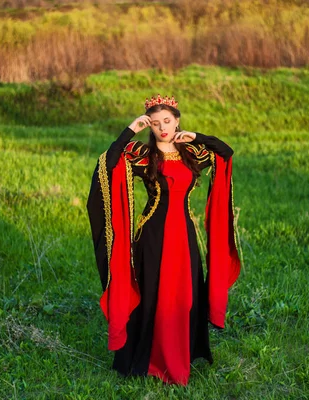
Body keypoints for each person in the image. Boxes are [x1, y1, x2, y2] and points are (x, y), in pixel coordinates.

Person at [86, 94, 241, 386]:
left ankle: (182, 354)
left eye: (167, 121)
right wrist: (130, 129)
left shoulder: (192, 152)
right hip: (153, 237)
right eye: (155, 124)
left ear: (177, 120)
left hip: (185, 236)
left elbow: (226, 152)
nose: (163, 128)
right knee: (155, 294)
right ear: (150, 127)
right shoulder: (142, 155)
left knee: (184, 296)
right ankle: (149, 359)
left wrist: (197, 136)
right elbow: (108, 162)